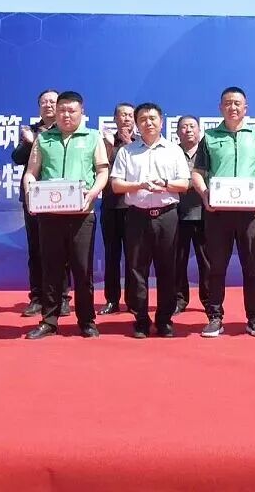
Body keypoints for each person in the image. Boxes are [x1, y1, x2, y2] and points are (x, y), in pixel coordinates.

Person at [191, 87, 255, 338]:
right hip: (218, 213)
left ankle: (254, 318)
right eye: (228, 103)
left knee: (251, 267)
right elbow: (198, 173)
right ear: (220, 108)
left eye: (237, 103)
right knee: (216, 267)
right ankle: (215, 318)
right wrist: (205, 195)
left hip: (250, 213)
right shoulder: (209, 137)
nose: (233, 107)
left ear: (245, 108)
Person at [22, 91, 109, 339]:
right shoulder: (43, 139)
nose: (66, 115)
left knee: (82, 270)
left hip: (82, 215)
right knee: (51, 268)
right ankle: (49, 321)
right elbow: (31, 172)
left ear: (82, 112)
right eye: (62, 110)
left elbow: (102, 172)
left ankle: (87, 321)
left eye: (72, 110)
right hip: (49, 215)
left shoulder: (93, 137)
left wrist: (93, 193)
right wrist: (30, 194)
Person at [109, 103, 191, 338]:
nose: (148, 122)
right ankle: (141, 320)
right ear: (137, 123)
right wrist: (140, 185)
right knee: (137, 270)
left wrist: (165, 184)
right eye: (143, 119)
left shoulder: (174, 150)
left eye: (153, 118)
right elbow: (116, 185)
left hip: (167, 216)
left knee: (168, 268)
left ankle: (164, 320)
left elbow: (184, 184)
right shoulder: (127, 152)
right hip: (137, 216)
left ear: (161, 121)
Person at [11, 89, 70, 317]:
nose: (48, 105)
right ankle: (37, 298)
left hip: (62, 198)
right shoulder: (30, 130)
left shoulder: (66, 130)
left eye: (52, 101)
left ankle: (62, 298)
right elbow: (17, 158)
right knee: (36, 249)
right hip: (34, 198)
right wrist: (28, 143)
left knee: (61, 251)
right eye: (44, 102)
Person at [98, 102, 135, 315]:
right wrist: (110, 145)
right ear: (115, 118)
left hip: (133, 207)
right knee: (112, 255)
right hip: (111, 206)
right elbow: (103, 170)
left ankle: (133, 300)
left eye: (130, 115)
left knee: (134, 256)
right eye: (122, 115)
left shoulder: (141, 143)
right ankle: (112, 300)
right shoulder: (105, 142)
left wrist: (129, 144)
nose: (126, 118)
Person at [175, 115, 210, 314]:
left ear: (199, 130)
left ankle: (208, 300)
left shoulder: (207, 152)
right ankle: (179, 300)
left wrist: (188, 183)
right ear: (177, 132)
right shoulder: (171, 153)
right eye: (184, 127)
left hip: (204, 214)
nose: (188, 130)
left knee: (206, 262)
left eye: (192, 126)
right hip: (177, 215)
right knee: (177, 261)